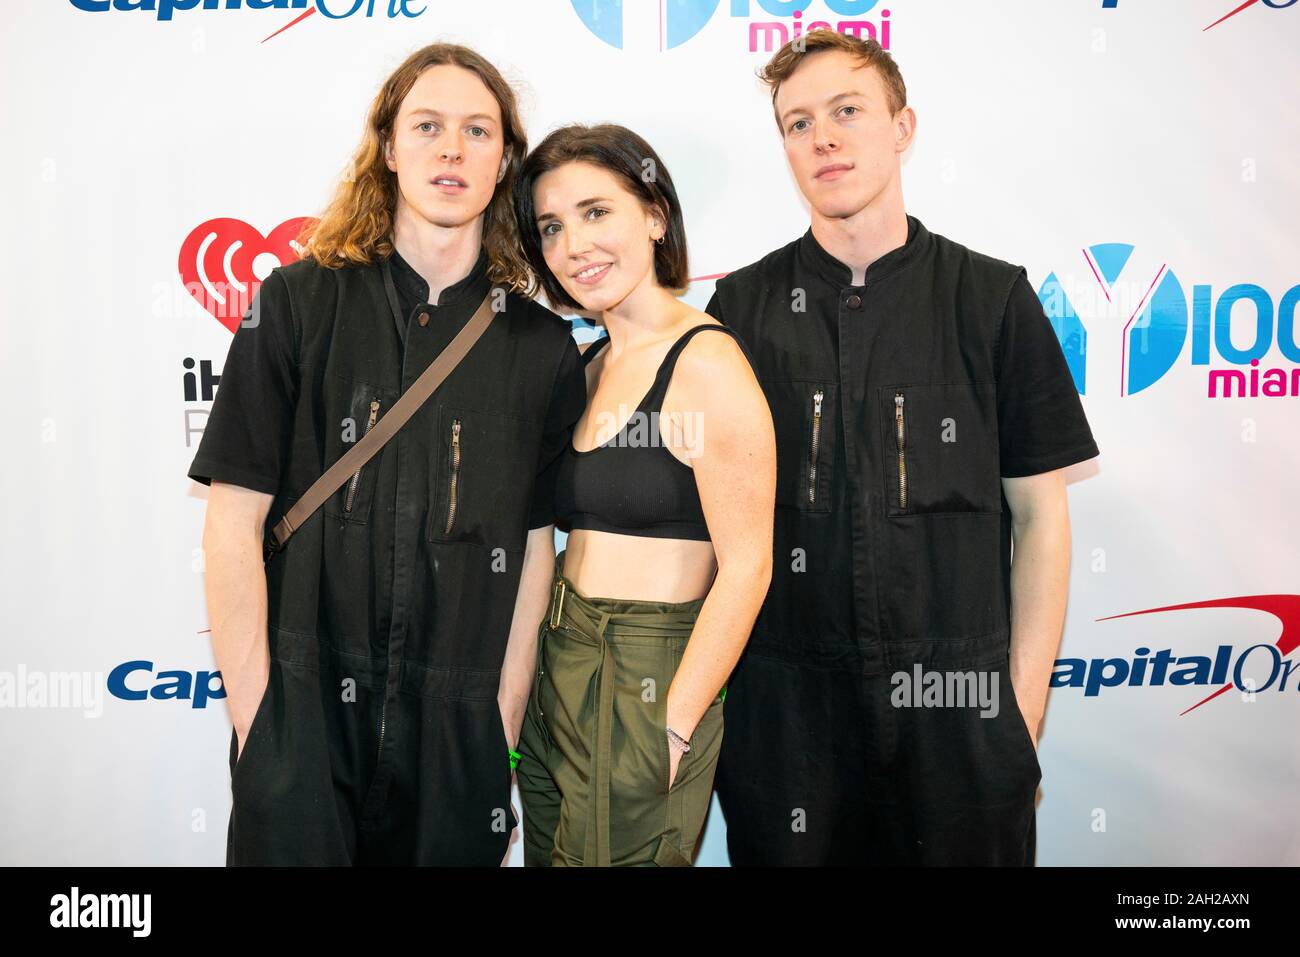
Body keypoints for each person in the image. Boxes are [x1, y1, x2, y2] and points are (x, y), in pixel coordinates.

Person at [704, 32, 1100, 865]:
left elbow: (1042, 522)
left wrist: (1017, 722)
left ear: (903, 126)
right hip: (789, 727)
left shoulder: (990, 299)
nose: (824, 138)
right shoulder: (739, 309)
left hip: (959, 723)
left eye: (847, 111)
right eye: (798, 123)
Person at [187, 43, 587, 866]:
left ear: (504, 158)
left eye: (477, 130)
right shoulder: (297, 302)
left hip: (457, 745)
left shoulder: (541, 348)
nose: (451, 148)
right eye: (428, 125)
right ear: (390, 148)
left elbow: (536, 552)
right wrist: (262, 723)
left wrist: (501, 727)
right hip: (301, 724)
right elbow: (232, 524)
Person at [508, 124, 776, 866]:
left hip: (646, 672)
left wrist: (678, 718)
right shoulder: (589, 362)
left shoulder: (707, 361)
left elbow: (750, 564)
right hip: (560, 656)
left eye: (597, 212)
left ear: (655, 216)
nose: (573, 246)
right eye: (552, 227)